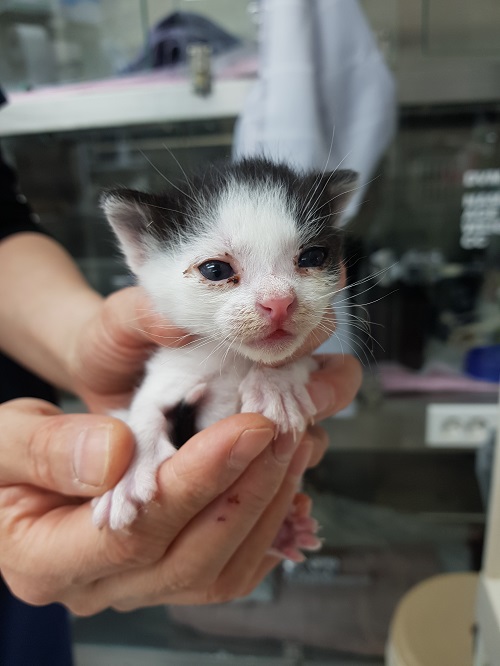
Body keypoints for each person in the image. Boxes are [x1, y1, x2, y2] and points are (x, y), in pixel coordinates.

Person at [0, 104, 362, 661]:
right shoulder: (181, 351)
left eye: (308, 258)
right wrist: (132, 456)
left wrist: (289, 367)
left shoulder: (279, 331)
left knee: (274, 467)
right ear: (142, 252)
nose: (278, 299)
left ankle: (268, 532)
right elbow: (151, 406)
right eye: (218, 271)